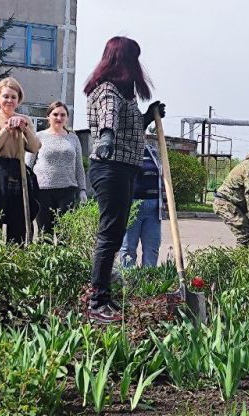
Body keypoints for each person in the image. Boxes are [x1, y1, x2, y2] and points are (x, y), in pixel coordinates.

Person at [83, 36, 166, 323]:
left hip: (124, 168)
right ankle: (97, 301)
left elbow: (127, 127)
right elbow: (109, 118)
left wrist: (146, 118)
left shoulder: (123, 93)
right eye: (134, 58)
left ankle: (103, 294)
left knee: (116, 234)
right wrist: (105, 137)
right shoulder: (108, 90)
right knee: (109, 234)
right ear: (123, 59)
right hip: (111, 168)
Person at [0, 77, 41, 244]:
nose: (9, 100)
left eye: (14, 97)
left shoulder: (25, 120)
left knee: (19, 223)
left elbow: (35, 147)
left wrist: (25, 129)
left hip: (19, 171)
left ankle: (16, 260)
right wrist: (7, 128)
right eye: (6, 96)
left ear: (18, 99)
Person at [27, 101, 87, 236]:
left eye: (62, 115)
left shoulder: (73, 138)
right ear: (48, 116)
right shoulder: (39, 136)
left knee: (64, 234)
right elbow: (28, 164)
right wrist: (25, 188)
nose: (59, 118)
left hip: (67, 191)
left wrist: (82, 190)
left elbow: (79, 166)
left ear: (67, 118)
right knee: (45, 234)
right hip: (42, 191)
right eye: (55, 114)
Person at [119, 144, 167, 268]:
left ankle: (148, 282)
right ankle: (128, 283)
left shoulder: (153, 151)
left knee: (152, 248)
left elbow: (163, 176)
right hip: (132, 207)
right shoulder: (124, 148)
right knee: (128, 248)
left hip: (154, 209)